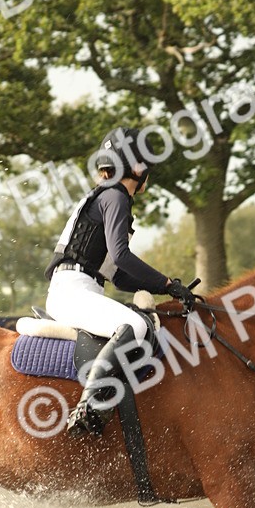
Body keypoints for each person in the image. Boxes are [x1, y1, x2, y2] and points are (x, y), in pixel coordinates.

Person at [44, 126, 196, 437]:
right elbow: (122, 255)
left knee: (137, 322)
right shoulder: (115, 196)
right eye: (147, 167)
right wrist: (166, 282)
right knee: (137, 327)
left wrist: (167, 288)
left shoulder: (107, 195)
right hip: (72, 290)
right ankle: (88, 407)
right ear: (137, 168)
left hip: (79, 287)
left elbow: (119, 275)